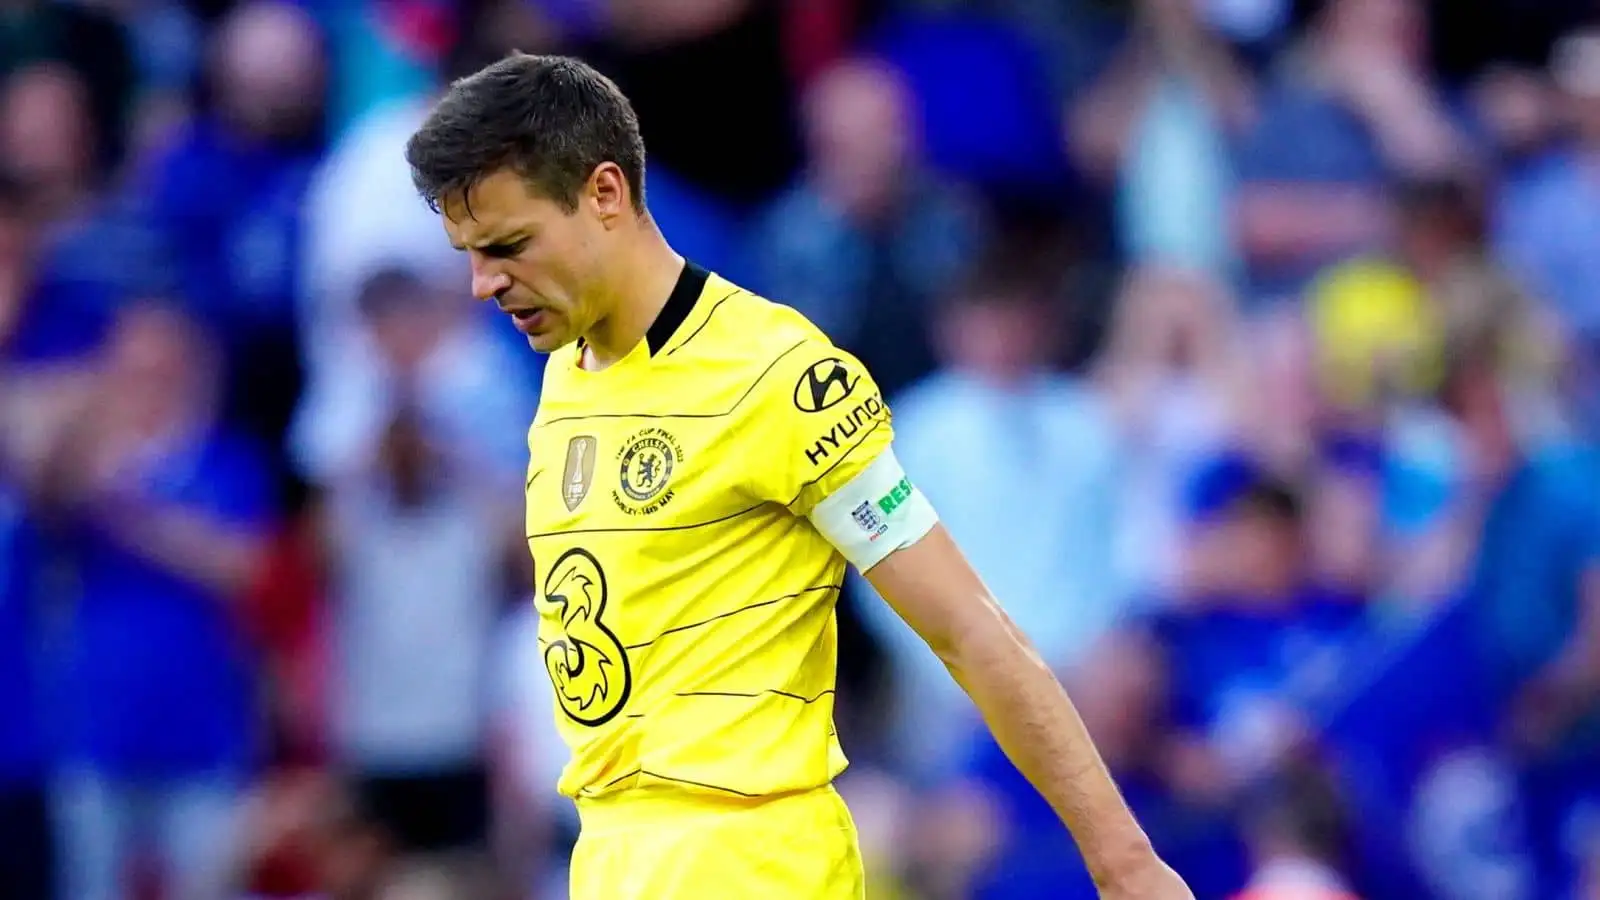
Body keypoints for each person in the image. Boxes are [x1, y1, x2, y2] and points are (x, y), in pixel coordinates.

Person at [403, 52, 1193, 900]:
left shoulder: (777, 378)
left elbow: (970, 627)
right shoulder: (564, 380)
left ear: (604, 194)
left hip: (753, 867)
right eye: (469, 254)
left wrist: (1126, 865)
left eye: (509, 245)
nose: (483, 284)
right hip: (613, 861)